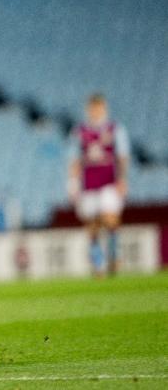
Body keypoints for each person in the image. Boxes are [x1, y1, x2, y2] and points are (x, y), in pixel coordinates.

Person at [68, 93, 130, 276]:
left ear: (104, 108)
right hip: (88, 184)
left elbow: (122, 156)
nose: (96, 111)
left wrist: (122, 179)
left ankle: (114, 253)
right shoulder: (79, 132)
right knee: (92, 224)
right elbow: (74, 160)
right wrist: (72, 183)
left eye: (99, 107)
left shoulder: (115, 129)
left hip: (108, 182)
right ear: (88, 109)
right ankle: (98, 261)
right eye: (93, 108)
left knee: (109, 216)